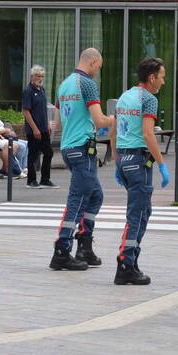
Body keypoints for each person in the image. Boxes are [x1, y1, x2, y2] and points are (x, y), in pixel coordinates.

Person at [49, 48, 114, 271]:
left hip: (69, 146)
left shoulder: (65, 84)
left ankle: (84, 245)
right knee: (77, 200)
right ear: (93, 61)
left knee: (95, 195)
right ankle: (61, 250)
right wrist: (117, 118)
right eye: (98, 67)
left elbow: (57, 120)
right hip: (82, 148)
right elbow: (99, 121)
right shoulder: (87, 84)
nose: (98, 71)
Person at [110, 56, 170, 286]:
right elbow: (148, 134)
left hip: (125, 159)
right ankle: (125, 264)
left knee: (143, 211)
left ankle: (131, 261)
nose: (163, 82)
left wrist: (117, 160)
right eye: (162, 77)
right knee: (137, 215)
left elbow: (114, 131)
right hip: (138, 159)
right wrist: (162, 163)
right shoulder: (149, 99)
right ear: (152, 77)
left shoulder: (125, 96)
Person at [21, 65, 57, 189]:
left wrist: (47, 123)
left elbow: (43, 109)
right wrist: (35, 128)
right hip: (34, 130)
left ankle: (45, 179)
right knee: (33, 155)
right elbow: (26, 111)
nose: (40, 78)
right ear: (32, 76)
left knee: (48, 153)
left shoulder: (42, 90)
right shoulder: (28, 91)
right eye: (38, 76)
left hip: (44, 129)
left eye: (42, 76)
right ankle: (31, 181)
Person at [0, 96, 27, 179]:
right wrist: (5, 131)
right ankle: (18, 169)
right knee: (21, 146)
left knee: (27, 143)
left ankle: (23, 167)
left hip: (5, 136)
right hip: (0, 137)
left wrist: (8, 130)